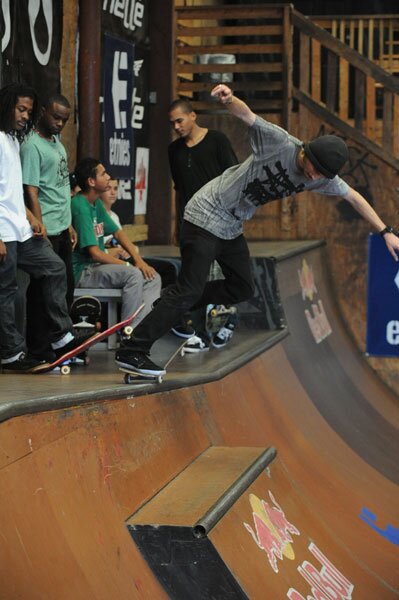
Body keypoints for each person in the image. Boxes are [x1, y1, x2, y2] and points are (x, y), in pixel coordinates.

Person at [115, 83, 399, 377]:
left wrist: (385, 231)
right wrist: (229, 100)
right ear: (306, 152)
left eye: (321, 176)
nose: (313, 177)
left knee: (242, 288)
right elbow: (248, 116)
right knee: (190, 288)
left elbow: (353, 196)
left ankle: (171, 304)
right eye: (313, 168)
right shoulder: (280, 143)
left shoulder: (321, 178)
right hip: (205, 213)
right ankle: (133, 350)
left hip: (231, 225)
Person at [0, 83, 91, 372]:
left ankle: (62, 335)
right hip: (3, 231)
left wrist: (30, 216)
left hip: (21, 228)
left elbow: (11, 191)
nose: (25, 116)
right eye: (21, 109)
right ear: (6, 107)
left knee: (54, 267)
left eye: (28, 110)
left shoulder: (13, 141)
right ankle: (11, 354)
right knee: (7, 290)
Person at [168, 98, 238, 351]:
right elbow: (180, 189)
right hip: (191, 223)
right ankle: (196, 331)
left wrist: (232, 216)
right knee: (193, 277)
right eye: (173, 123)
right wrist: (178, 224)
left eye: (180, 120)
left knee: (219, 275)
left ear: (193, 116)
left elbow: (234, 178)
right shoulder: (174, 151)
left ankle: (228, 321)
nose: (176, 126)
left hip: (219, 220)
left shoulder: (217, 141)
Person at [71, 158, 161, 327]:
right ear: (91, 181)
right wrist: (128, 266)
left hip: (97, 268)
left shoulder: (95, 203)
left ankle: (142, 329)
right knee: (133, 274)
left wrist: (139, 261)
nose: (108, 176)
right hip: (83, 271)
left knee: (152, 277)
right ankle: (129, 333)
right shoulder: (80, 206)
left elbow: (118, 233)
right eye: (103, 173)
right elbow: (95, 253)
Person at [20, 93, 75, 361]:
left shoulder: (57, 142)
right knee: (42, 295)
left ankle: (59, 345)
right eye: (56, 117)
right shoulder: (32, 146)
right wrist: (38, 224)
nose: (60, 124)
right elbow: (31, 189)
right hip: (46, 230)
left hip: (62, 227)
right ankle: (40, 350)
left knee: (63, 288)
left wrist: (70, 224)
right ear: (42, 112)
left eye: (64, 120)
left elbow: (62, 185)